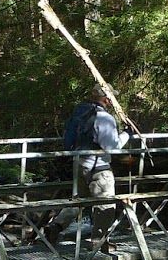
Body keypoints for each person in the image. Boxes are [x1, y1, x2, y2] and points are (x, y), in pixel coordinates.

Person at [45, 86, 130, 244]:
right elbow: (111, 146)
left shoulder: (81, 111)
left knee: (80, 201)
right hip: (98, 167)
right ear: (106, 99)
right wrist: (127, 134)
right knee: (105, 204)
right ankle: (99, 243)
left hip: (79, 162)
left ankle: (56, 226)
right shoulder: (104, 118)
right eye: (111, 98)